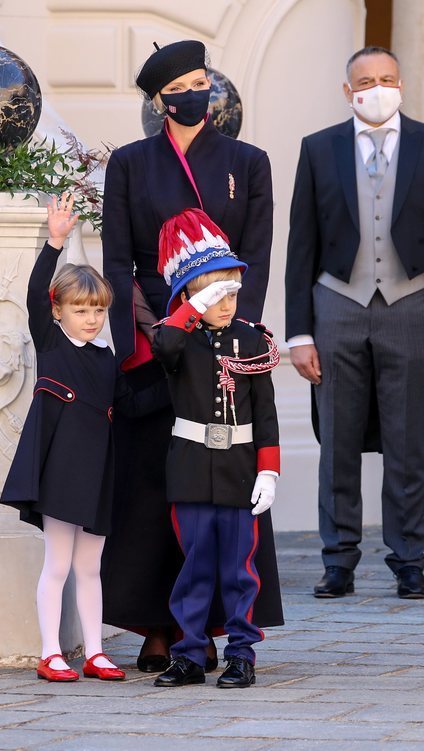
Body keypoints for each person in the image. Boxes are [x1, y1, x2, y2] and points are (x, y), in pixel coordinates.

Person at [100, 39, 281, 672]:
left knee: (224, 492)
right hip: (157, 339)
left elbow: (254, 257)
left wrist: (239, 332)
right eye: (183, 83)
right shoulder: (127, 163)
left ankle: (226, 627)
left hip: (226, 339)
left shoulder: (249, 161)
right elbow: (117, 262)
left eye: (203, 79)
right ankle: (159, 625)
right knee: (155, 489)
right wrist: (142, 342)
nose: (196, 91)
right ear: (160, 99)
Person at [284, 46, 424, 600]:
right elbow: (301, 244)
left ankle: (409, 559)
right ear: (348, 91)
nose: (376, 87)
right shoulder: (318, 149)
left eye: (387, 78)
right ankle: (338, 558)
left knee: (407, 441)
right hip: (337, 304)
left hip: (412, 307)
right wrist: (299, 333)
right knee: (336, 439)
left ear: (401, 84)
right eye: (365, 80)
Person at [151, 208, 281, 688]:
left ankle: (242, 653)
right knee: (194, 567)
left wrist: (269, 470)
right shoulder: (179, 339)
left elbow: (265, 414)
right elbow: (163, 345)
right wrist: (191, 306)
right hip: (190, 466)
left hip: (239, 470)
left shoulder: (252, 340)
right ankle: (188, 653)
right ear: (190, 294)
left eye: (231, 289)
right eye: (214, 292)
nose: (226, 302)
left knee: (239, 570)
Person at [0, 194, 125, 683]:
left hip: (98, 474)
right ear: (59, 311)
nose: (91, 319)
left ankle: (94, 651)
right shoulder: (51, 342)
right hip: (60, 474)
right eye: (81, 309)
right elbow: (35, 293)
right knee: (58, 564)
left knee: (90, 567)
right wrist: (54, 242)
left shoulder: (106, 358)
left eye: (98, 310)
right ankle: (50, 651)